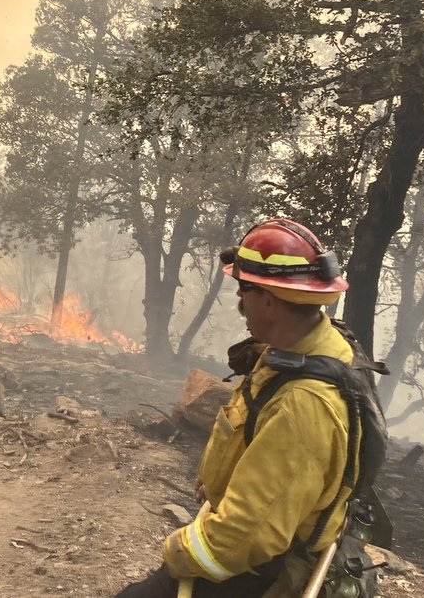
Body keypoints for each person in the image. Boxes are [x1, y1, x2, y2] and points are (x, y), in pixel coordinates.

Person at [116, 219, 357, 598]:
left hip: (259, 571)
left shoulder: (302, 403)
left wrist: (175, 553)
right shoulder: (296, 351)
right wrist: (219, 473)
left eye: (245, 288)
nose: (239, 301)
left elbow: (241, 542)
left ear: (269, 299)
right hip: (260, 538)